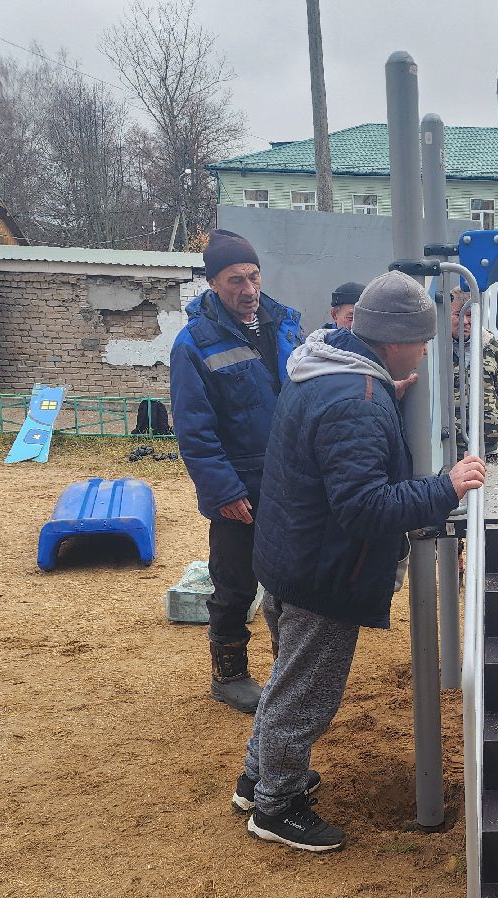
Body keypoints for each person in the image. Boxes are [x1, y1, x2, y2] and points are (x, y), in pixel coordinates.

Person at [235, 271, 486, 852]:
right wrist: (445, 487)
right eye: (422, 341)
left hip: (289, 556)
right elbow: (363, 506)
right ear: (396, 341)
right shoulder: (358, 401)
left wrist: (381, 396)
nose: (424, 351)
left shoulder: (325, 370)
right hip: (323, 574)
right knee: (305, 696)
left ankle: (257, 777)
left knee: (287, 679)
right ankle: (277, 804)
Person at [170, 229, 304, 715]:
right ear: (212, 283)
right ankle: (229, 676)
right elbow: (195, 430)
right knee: (235, 585)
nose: (248, 289)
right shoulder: (194, 344)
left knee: (293, 581)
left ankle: (289, 671)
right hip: (240, 488)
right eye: (235, 280)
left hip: (292, 481)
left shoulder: (287, 325)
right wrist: (224, 491)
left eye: (253, 276)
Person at [449, 288, 498, 456]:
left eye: (470, 315)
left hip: (487, 442)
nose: (465, 322)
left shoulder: (491, 347)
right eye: (458, 315)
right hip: (451, 445)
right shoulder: (437, 350)